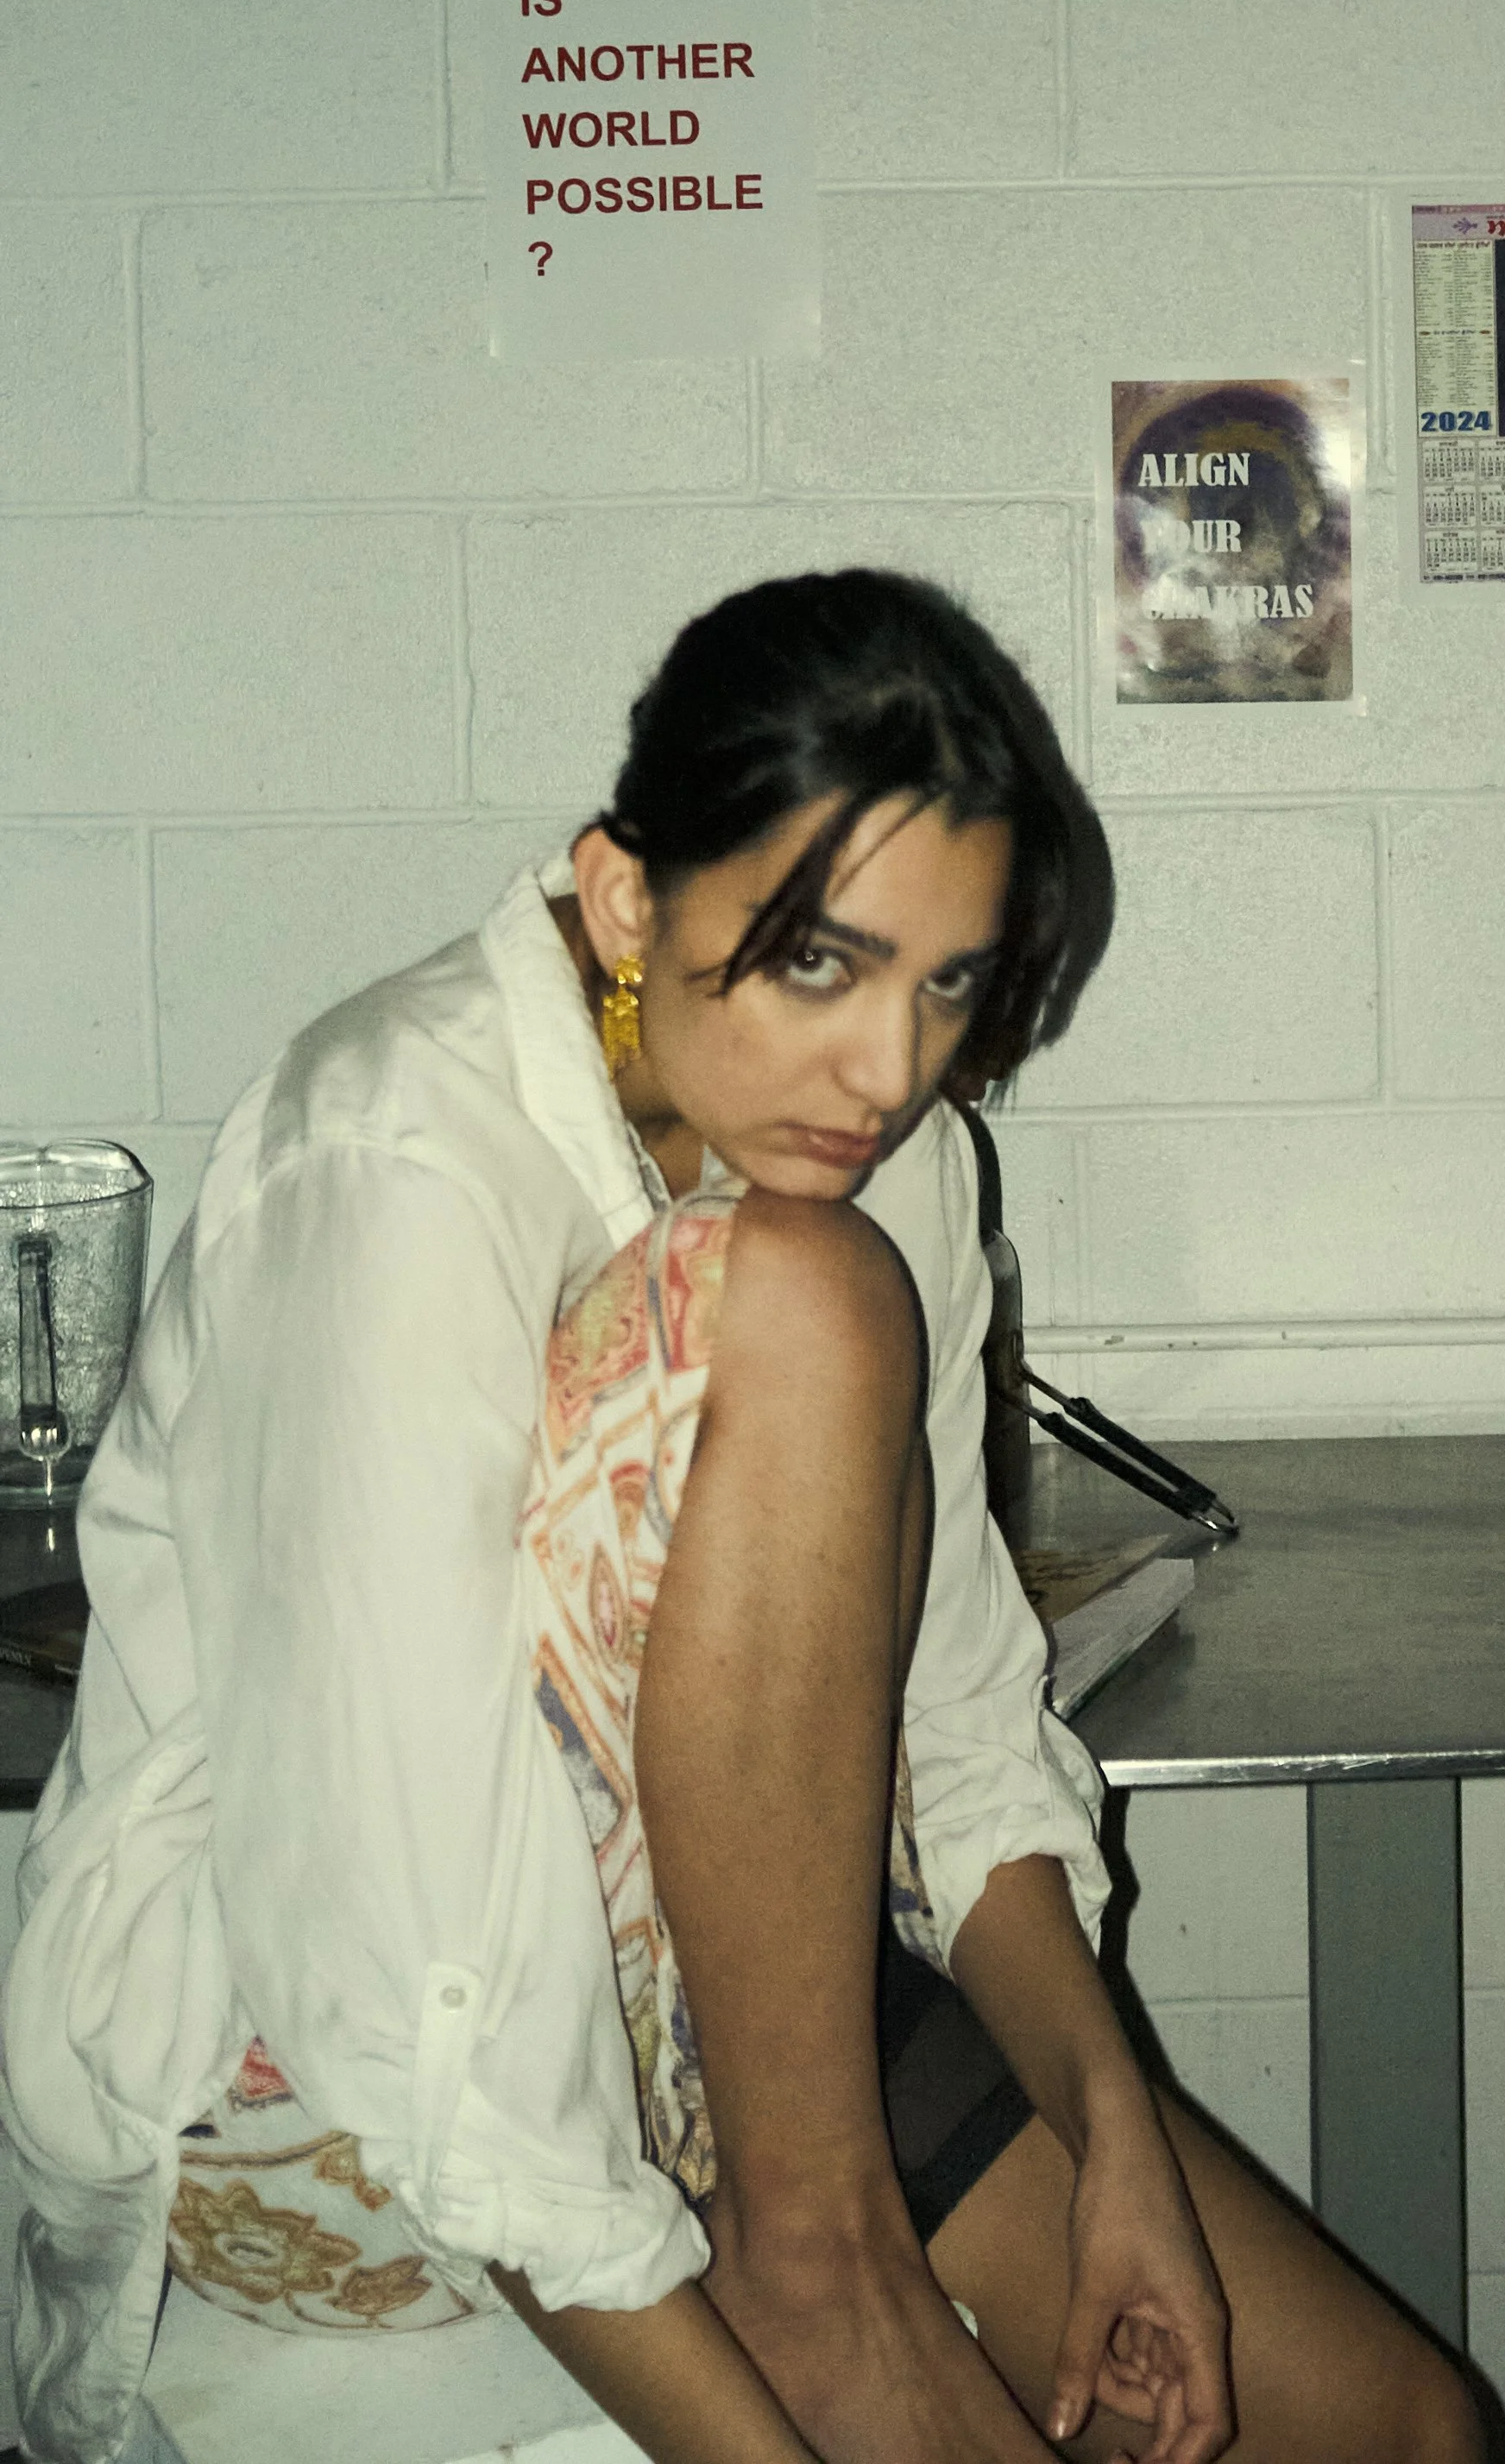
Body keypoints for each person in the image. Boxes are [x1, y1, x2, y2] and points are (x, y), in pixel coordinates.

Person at [0, 572, 1483, 2464]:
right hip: (315, 2077)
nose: (888, 1070)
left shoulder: (898, 1160)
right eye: (816, 961)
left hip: (711, 2017)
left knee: (1405, 2427)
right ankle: (820, 2259)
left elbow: (953, 1720)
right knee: (794, 1291)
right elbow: (404, 1951)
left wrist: (1112, 2138)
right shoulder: (390, 1149)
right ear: (626, 898)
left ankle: (823, 2230)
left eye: (944, 981)